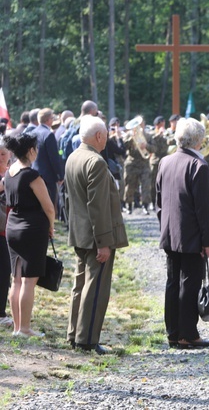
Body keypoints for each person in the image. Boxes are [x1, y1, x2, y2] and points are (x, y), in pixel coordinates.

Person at [65, 116, 128, 353]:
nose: (108, 140)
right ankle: (87, 339)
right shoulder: (97, 162)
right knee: (96, 288)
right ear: (99, 136)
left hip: (80, 233)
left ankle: (74, 334)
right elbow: (98, 206)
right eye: (106, 136)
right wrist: (104, 243)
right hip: (95, 237)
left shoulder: (74, 157)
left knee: (80, 285)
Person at [155, 118, 209, 349]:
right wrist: (208, 241)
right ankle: (188, 334)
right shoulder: (198, 166)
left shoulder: (165, 161)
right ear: (200, 140)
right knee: (189, 283)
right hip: (191, 235)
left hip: (170, 232)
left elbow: (159, 201)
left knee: (173, 282)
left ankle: (173, 332)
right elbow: (205, 210)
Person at [6, 133, 56, 337]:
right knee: (28, 281)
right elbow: (49, 208)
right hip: (32, 230)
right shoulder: (32, 176)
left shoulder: (9, 172)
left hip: (13, 228)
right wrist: (51, 227)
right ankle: (25, 328)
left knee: (16, 280)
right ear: (30, 151)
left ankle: (18, 327)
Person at [31, 108, 65, 207]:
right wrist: (60, 175)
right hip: (48, 177)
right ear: (48, 120)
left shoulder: (32, 133)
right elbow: (54, 158)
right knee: (48, 205)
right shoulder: (49, 135)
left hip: (34, 173)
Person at [0, 139, 12, 328]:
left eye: (4, 154)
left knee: (5, 273)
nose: (2, 158)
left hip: (7, 230)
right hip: (2, 230)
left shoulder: (10, 172)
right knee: (2, 272)